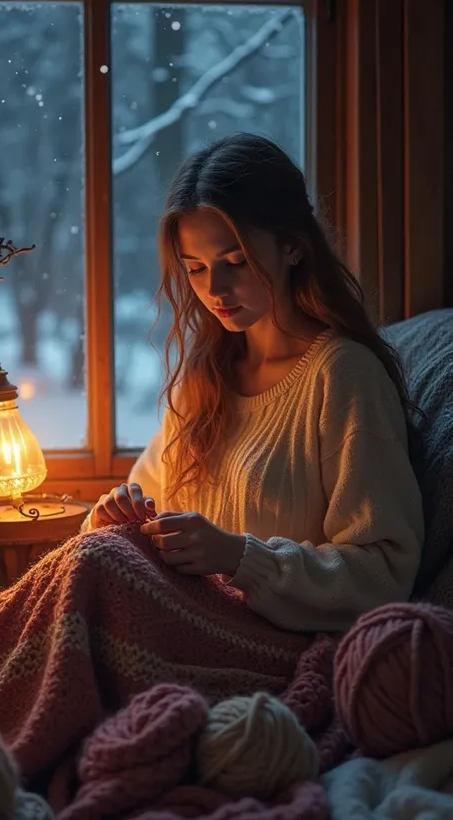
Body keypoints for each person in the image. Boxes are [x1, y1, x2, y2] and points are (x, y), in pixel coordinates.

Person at [83, 132, 424, 633]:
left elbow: (385, 571)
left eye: (235, 261)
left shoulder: (342, 376)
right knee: (84, 569)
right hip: (179, 627)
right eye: (195, 269)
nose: (214, 290)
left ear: (292, 246)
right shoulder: (204, 380)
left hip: (261, 647)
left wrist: (238, 557)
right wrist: (112, 516)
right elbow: (143, 505)